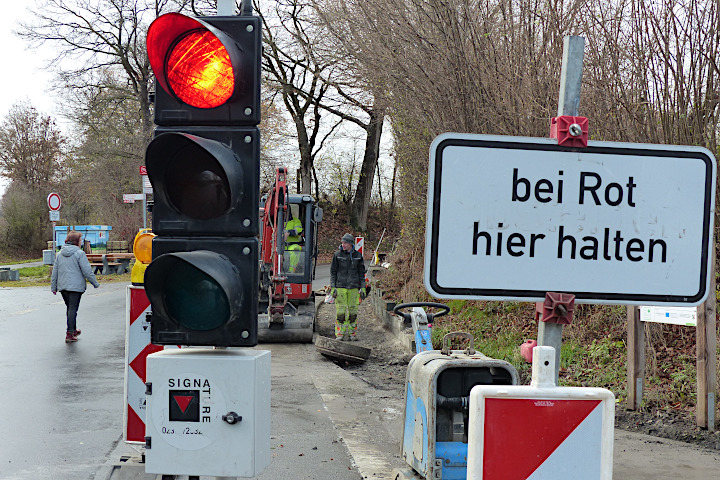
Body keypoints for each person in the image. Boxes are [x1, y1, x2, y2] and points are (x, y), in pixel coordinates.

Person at [51, 230, 100, 343]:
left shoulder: (59, 254)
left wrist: (53, 287)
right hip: (75, 287)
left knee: (70, 309)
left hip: (63, 287)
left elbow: (55, 271)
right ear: (76, 241)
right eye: (80, 240)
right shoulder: (79, 253)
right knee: (73, 309)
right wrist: (95, 283)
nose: (81, 242)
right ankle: (69, 333)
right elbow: (87, 270)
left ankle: (73, 330)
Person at [330, 233, 366, 341]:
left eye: (345, 242)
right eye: (342, 242)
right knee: (340, 312)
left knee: (353, 312)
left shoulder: (358, 256)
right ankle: (339, 334)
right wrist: (333, 287)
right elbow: (333, 272)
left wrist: (363, 287)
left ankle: (352, 333)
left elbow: (361, 273)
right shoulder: (337, 255)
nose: (343, 244)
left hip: (354, 288)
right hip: (340, 287)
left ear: (350, 244)